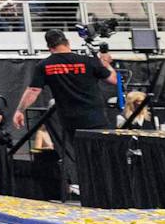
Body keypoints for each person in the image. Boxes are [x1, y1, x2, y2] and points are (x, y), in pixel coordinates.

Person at [14, 28, 117, 199]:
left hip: (70, 119)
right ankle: (107, 192)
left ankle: (84, 190)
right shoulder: (88, 61)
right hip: (95, 117)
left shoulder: (45, 65)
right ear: (67, 42)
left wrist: (19, 110)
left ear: (49, 47)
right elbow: (113, 79)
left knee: (78, 155)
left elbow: (33, 90)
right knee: (101, 156)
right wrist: (105, 63)